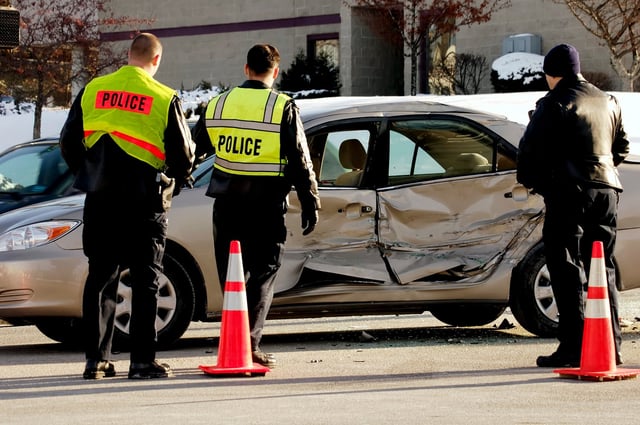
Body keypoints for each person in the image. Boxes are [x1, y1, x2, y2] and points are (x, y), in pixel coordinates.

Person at [59, 33, 196, 379]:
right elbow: (183, 155)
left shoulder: (94, 89)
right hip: (143, 201)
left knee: (101, 277)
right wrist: (174, 182)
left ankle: (96, 360)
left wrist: (89, 173)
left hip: (101, 199)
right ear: (156, 59)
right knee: (146, 278)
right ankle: (141, 361)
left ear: (129, 55)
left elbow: (68, 142)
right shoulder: (163, 97)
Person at [193, 44, 320, 367]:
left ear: (246, 68)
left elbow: (194, 149)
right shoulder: (281, 107)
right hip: (266, 204)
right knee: (264, 272)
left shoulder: (218, 104)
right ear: (275, 73)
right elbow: (300, 160)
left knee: (232, 274)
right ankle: (248, 343)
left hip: (226, 203)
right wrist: (310, 201)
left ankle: (234, 340)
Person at [517, 43, 630, 367]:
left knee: (565, 266)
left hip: (569, 193)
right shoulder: (608, 101)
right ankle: (611, 347)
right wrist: (601, 174)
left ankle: (573, 346)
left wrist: (543, 185)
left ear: (551, 74)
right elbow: (619, 146)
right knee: (602, 266)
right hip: (607, 192)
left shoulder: (553, 103)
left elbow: (529, 155)